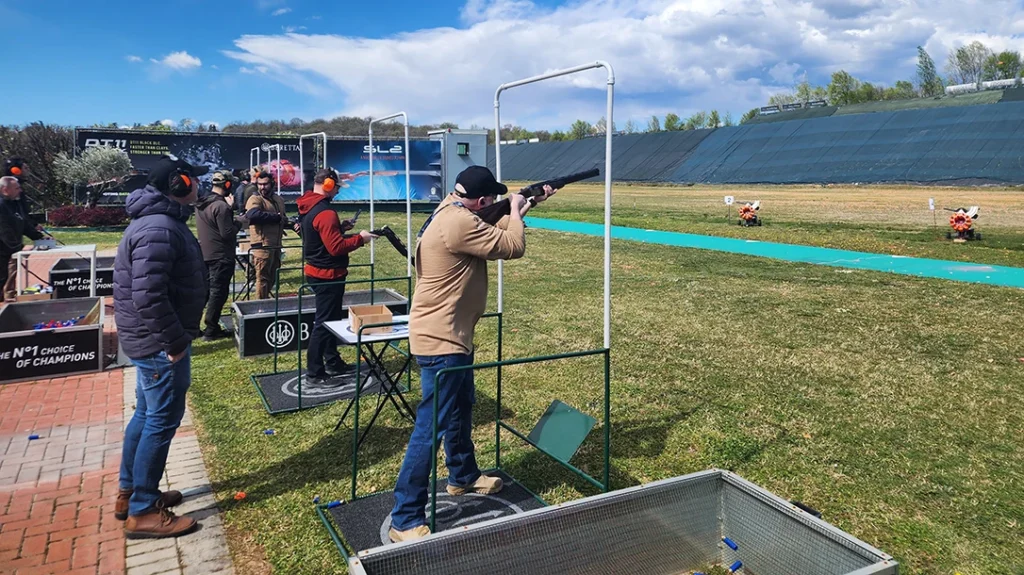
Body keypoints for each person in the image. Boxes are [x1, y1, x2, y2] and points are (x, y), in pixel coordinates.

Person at [388, 165, 555, 542]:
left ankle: (462, 476)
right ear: (481, 202)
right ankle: (404, 517)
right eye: (492, 199)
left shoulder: (450, 212)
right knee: (429, 429)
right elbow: (512, 246)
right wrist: (513, 209)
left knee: (461, 407)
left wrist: (521, 207)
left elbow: (493, 231)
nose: (495, 203)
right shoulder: (460, 224)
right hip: (442, 339)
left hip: (448, 335)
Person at [113, 155, 209, 538]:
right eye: (194, 180)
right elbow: (149, 295)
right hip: (159, 343)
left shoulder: (158, 222)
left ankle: (131, 491)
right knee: (160, 421)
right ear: (179, 184)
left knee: (145, 416)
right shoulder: (160, 229)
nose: (199, 185)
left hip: (148, 340)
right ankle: (142, 511)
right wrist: (173, 342)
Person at [295, 169, 376, 384]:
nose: (338, 192)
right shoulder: (326, 212)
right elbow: (336, 248)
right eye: (337, 187)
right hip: (328, 274)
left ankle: (332, 361)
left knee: (330, 320)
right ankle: (315, 373)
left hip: (318, 271)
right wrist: (360, 238)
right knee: (323, 324)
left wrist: (339, 228)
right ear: (329, 184)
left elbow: (318, 234)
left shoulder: (309, 205)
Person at [196, 170, 246, 340]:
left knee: (206, 292)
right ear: (227, 184)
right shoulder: (221, 206)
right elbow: (227, 233)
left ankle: (194, 326)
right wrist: (239, 221)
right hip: (221, 255)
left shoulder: (203, 203)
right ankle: (211, 329)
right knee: (218, 292)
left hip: (206, 254)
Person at [1, 159, 47, 300]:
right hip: (4, 249)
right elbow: (4, 230)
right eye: (17, 188)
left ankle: (7, 298)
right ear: (5, 190)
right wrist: (19, 248)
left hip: (11, 249)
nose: (20, 190)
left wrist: (40, 237)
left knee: (7, 276)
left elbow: (23, 223)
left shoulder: (14, 203)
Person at [244, 170, 288, 300]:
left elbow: (282, 218)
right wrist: (276, 218)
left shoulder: (278, 199)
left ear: (272, 184)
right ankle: (260, 306)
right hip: (262, 245)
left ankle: (266, 301)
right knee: (262, 278)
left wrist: (289, 223)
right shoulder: (255, 199)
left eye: (266, 184)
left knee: (273, 275)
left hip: (276, 243)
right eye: (260, 184)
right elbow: (252, 215)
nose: (263, 187)